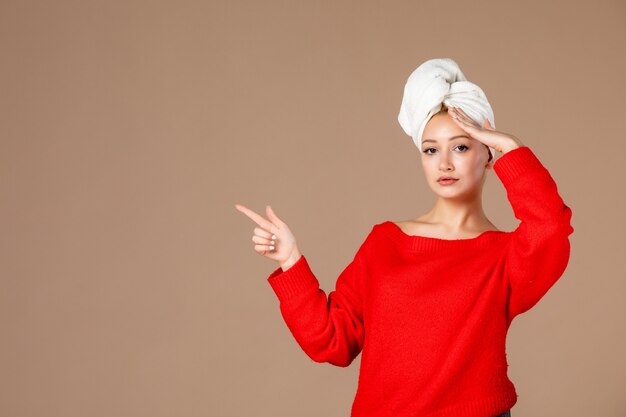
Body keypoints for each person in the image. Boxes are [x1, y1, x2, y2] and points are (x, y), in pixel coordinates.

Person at [234, 59, 573, 417]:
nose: (444, 163)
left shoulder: (505, 257)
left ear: (487, 154)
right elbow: (332, 341)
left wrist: (512, 146)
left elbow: (551, 227)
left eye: (460, 147)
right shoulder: (386, 243)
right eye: (431, 149)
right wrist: (291, 261)